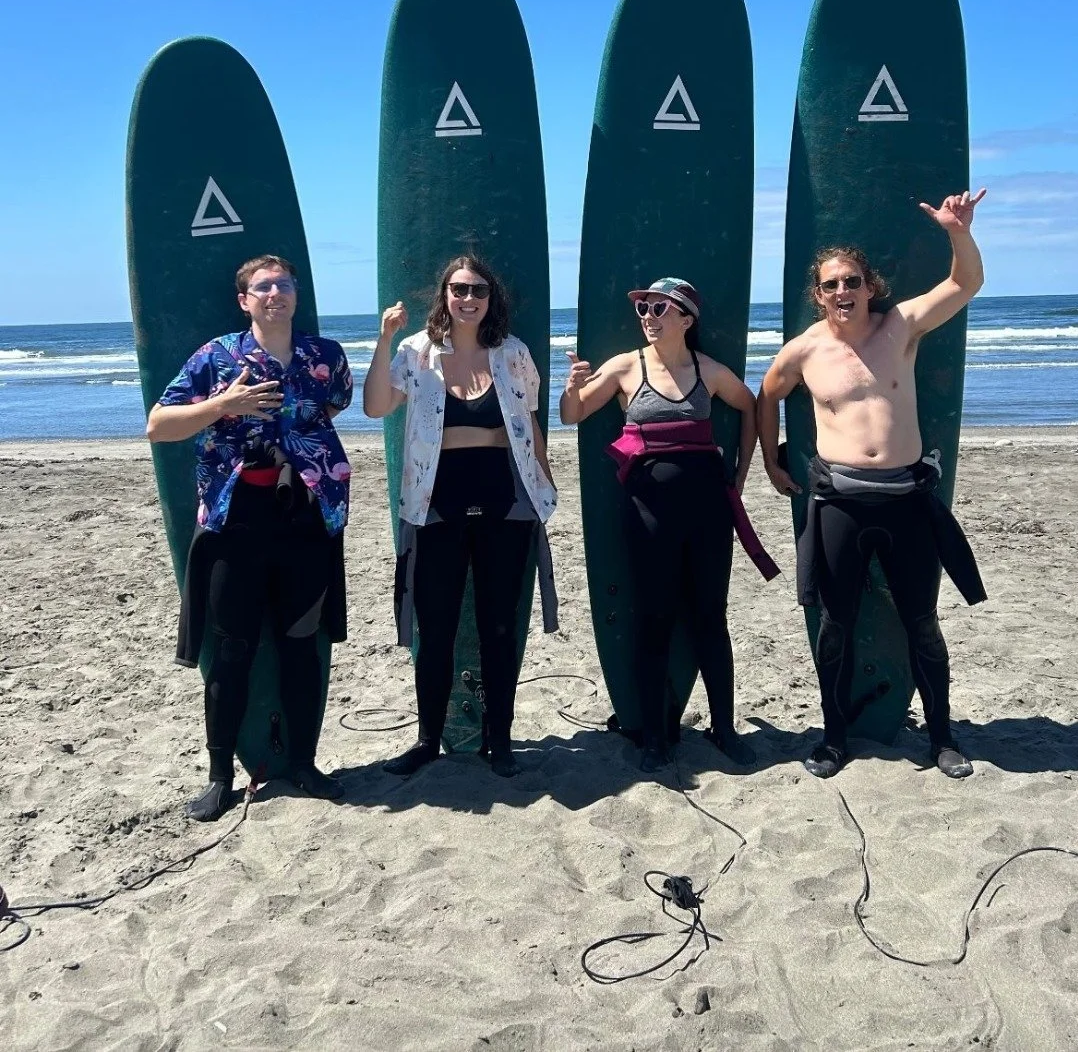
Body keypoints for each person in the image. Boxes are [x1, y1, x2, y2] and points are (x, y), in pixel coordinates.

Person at [757, 191, 989, 781]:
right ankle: (834, 740)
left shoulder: (900, 326)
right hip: (840, 504)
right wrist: (769, 459)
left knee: (922, 622)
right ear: (818, 293)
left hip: (907, 500)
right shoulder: (806, 348)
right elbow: (766, 394)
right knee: (836, 625)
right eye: (831, 284)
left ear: (869, 285)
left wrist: (956, 231)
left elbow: (965, 284)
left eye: (851, 281)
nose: (842, 292)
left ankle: (941, 738)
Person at [146, 255, 353, 821]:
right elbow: (158, 425)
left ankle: (306, 765)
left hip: (305, 518)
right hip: (236, 521)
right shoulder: (216, 357)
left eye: (283, 285)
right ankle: (218, 777)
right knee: (232, 650)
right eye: (262, 287)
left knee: (300, 645)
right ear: (245, 300)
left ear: (296, 295)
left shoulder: (325, 356)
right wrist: (223, 406)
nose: (274, 294)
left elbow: (333, 405)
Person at [560, 277, 777, 773]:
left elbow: (752, 406)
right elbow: (572, 416)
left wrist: (741, 475)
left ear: (686, 317)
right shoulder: (624, 367)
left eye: (660, 308)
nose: (649, 317)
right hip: (647, 511)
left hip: (706, 511)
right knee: (653, 620)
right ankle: (655, 737)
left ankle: (725, 729)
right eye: (643, 309)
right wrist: (571, 388)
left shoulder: (709, 370)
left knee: (709, 618)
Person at [363, 256, 558, 779]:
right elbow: (377, 406)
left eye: (478, 290)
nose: (468, 298)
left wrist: (545, 478)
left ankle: (500, 739)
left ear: (491, 298)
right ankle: (428, 740)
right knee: (438, 626)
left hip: (505, 503)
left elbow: (530, 422)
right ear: (444, 294)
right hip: (435, 504)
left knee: (498, 626)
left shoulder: (512, 353)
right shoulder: (415, 352)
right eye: (458, 288)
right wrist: (384, 338)